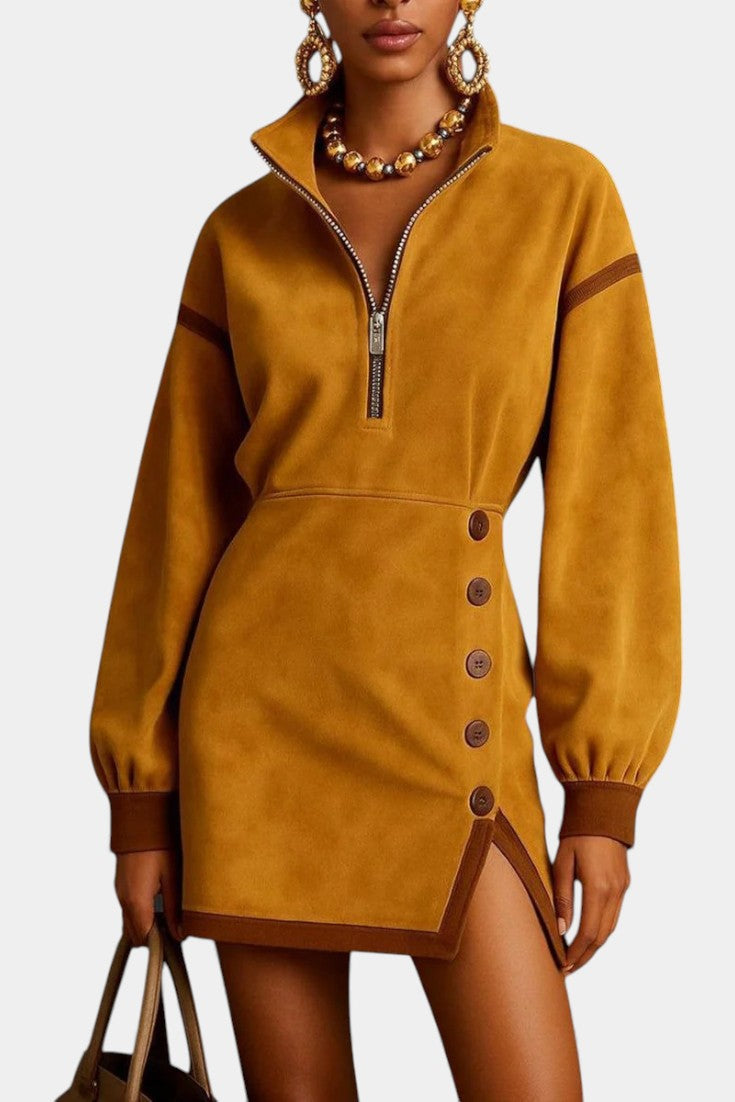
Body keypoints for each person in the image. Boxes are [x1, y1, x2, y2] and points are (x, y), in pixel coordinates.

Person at [88, 1, 681, 1098]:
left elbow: (615, 500)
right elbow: (173, 520)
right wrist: (140, 803)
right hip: (257, 745)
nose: (391, 0)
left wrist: (601, 792)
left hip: (456, 741)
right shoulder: (240, 232)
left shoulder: (564, 198)